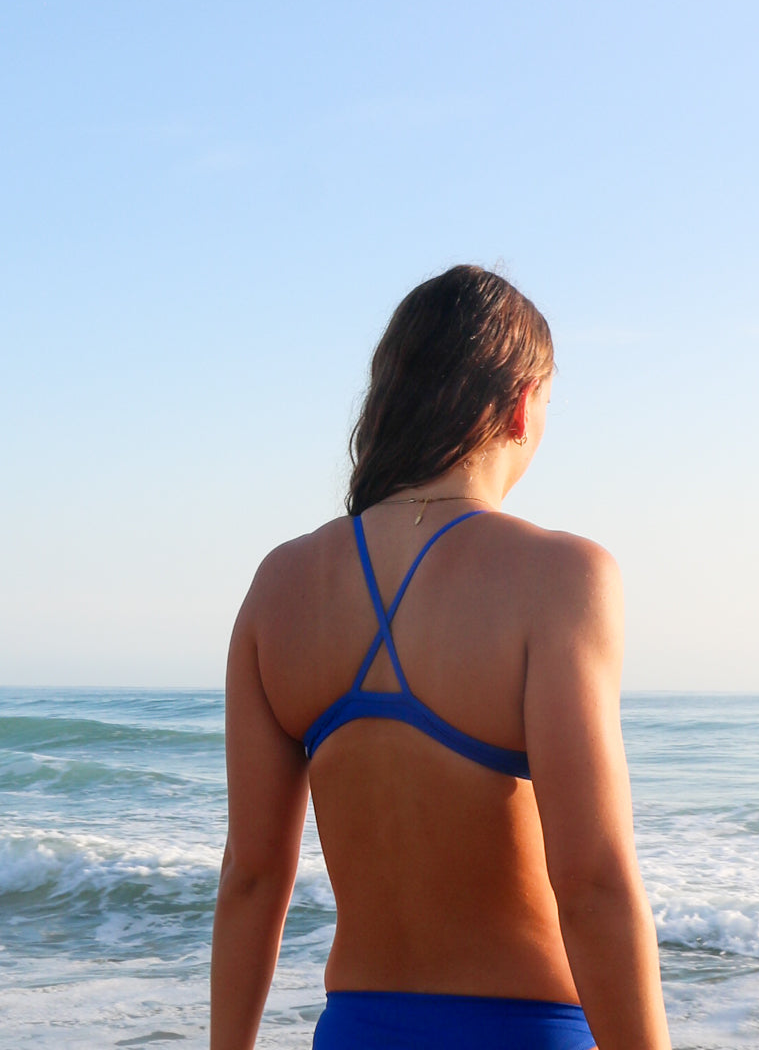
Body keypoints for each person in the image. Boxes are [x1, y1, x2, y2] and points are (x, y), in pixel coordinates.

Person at [210, 265, 671, 1050]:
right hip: (525, 1032)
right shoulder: (562, 578)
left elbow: (253, 877)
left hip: (355, 1030)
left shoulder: (279, 584)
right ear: (524, 405)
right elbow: (592, 882)